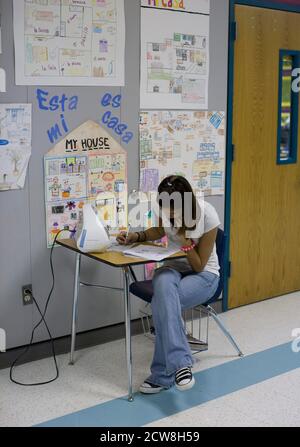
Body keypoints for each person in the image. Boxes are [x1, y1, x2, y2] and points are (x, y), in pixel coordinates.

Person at [117, 175, 221, 394]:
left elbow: (200, 265)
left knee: (162, 302)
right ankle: (181, 365)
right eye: (165, 208)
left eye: (173, 209)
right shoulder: (166, 210)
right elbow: (160, 230)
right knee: (163, 287)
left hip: (205, 276)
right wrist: (137, 236)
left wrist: (185, 243)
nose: (169, 214)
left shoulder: (207, 214)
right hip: (173, 269)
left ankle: (163, 375)